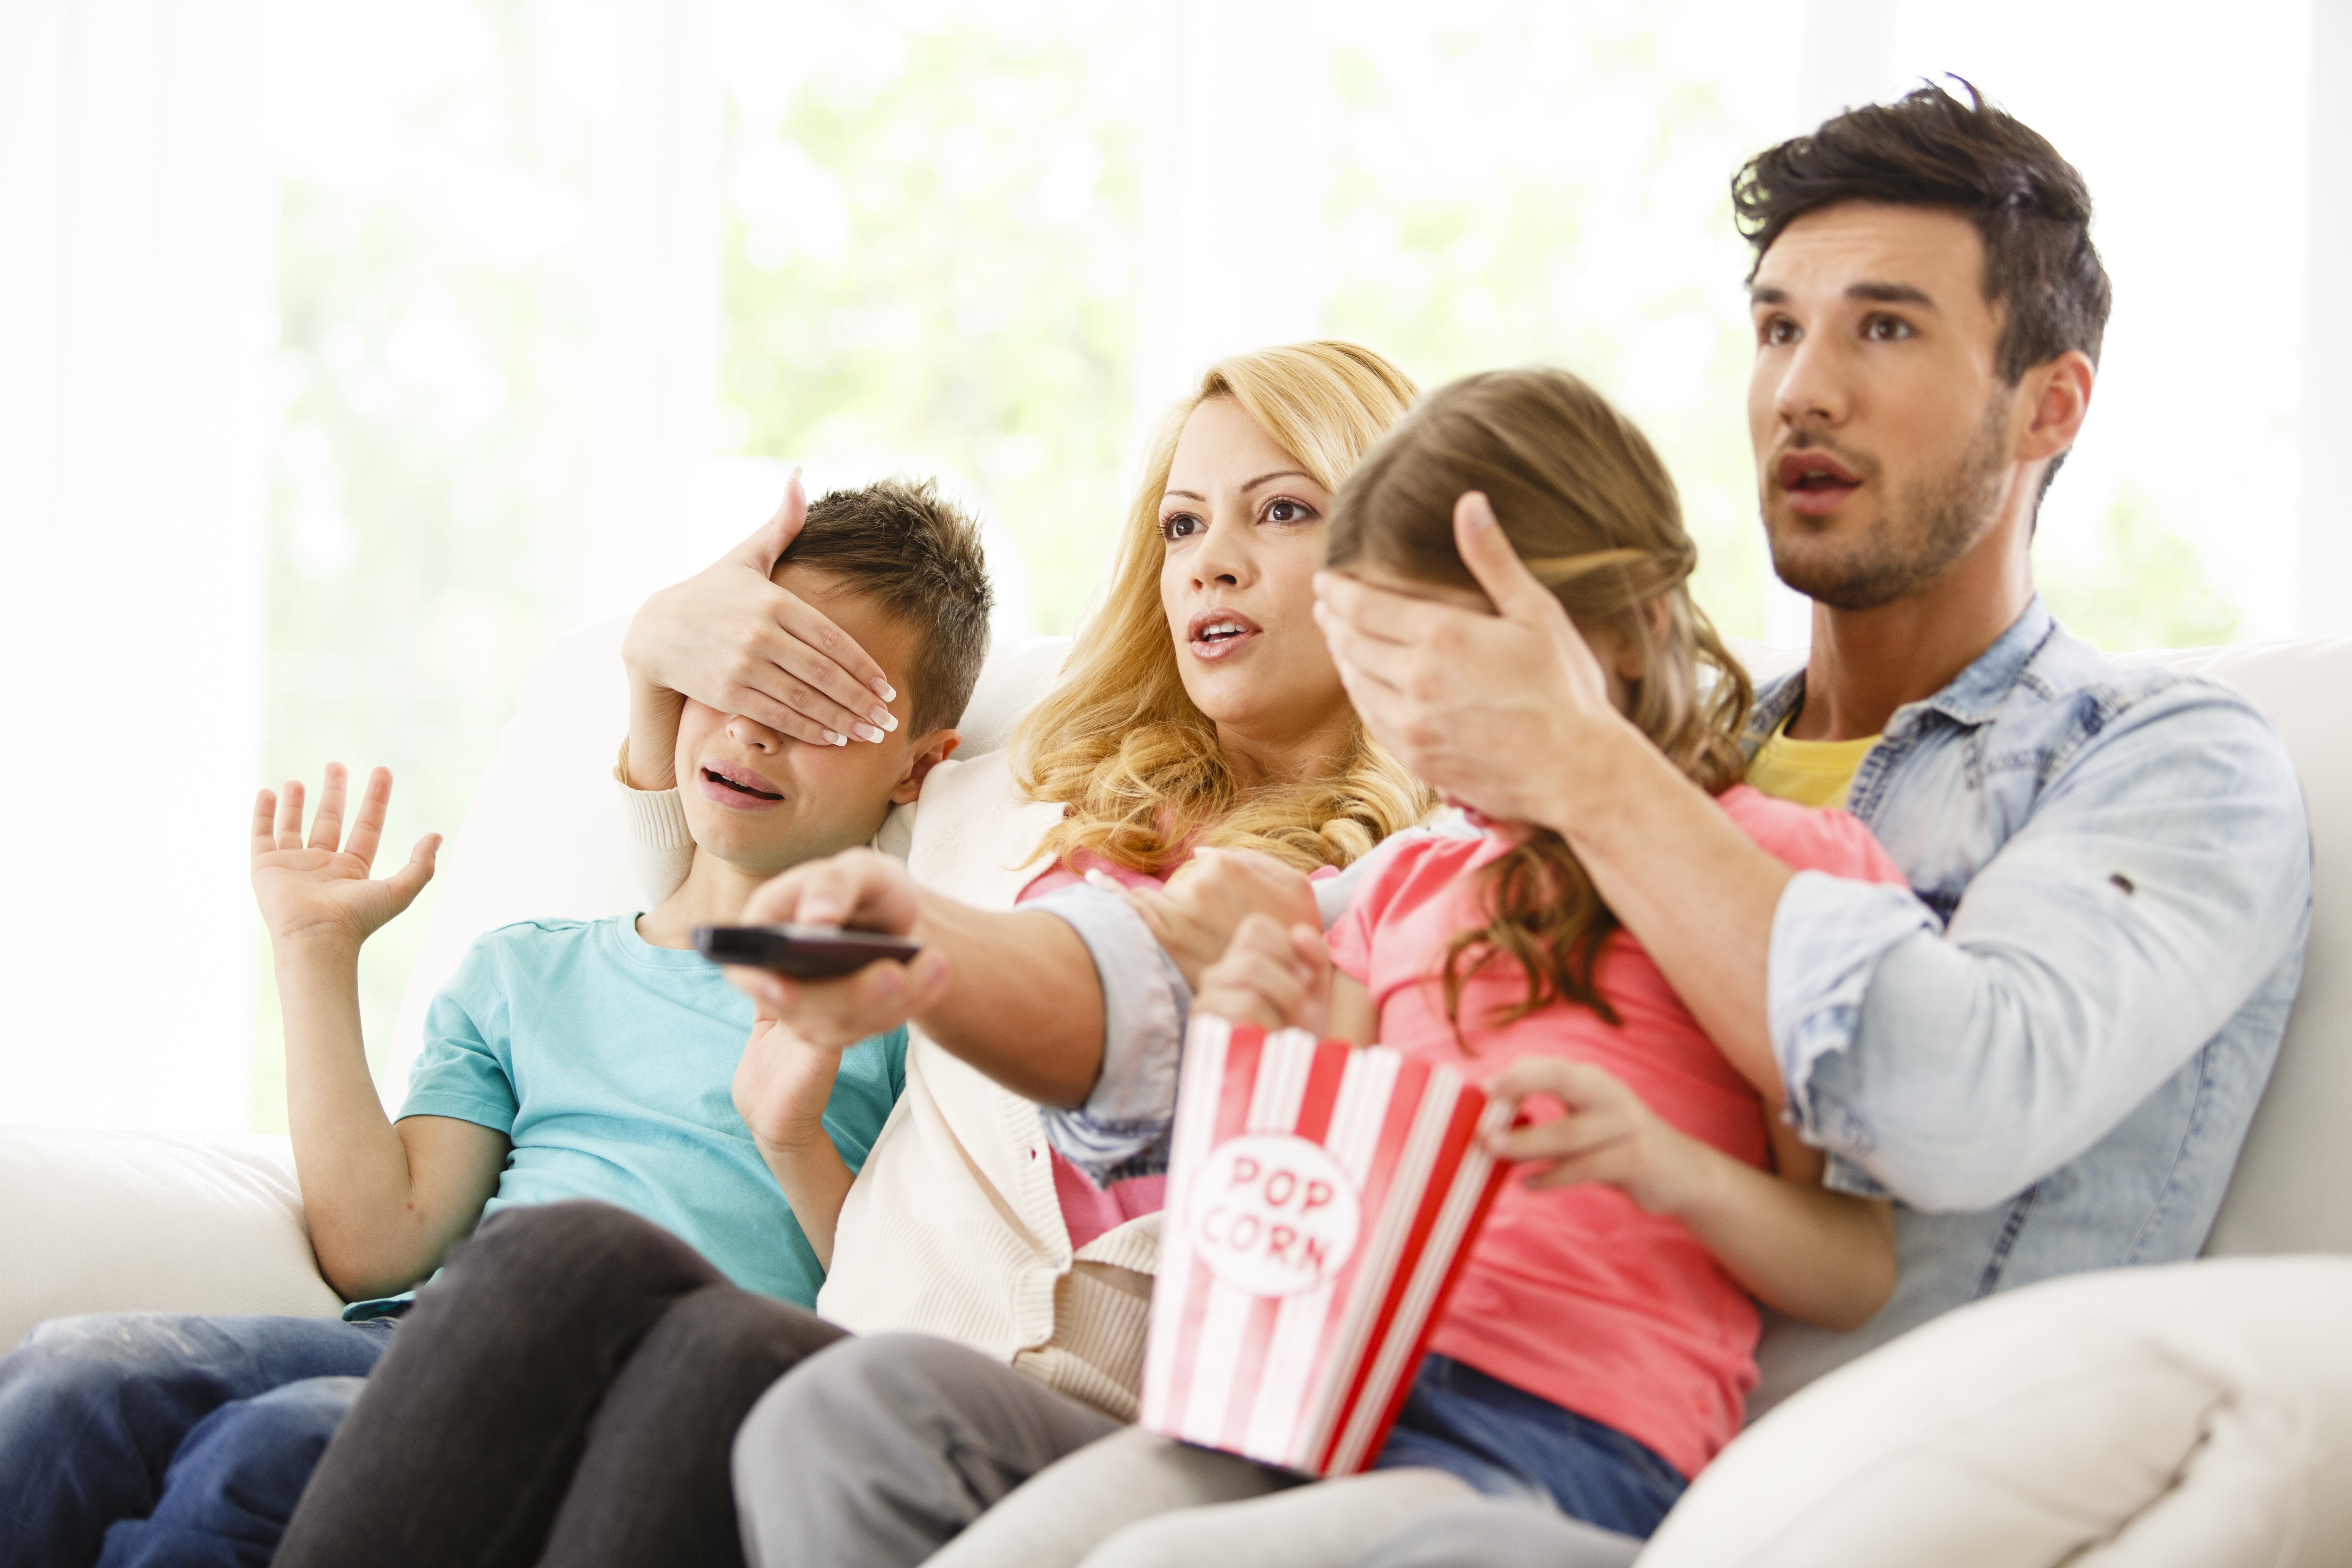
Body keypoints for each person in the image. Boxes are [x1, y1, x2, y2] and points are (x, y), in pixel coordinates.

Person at [701, 79, 2310, 1568]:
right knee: (858, 1430)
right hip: (1359, 1400)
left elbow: (1951, 1096)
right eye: (1776, 328)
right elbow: (1175, 1009)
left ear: (2050, 407)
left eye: (1884, 329)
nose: (1803, 387)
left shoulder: (2162, 765)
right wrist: (923, 953)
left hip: (1704, 1482)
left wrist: (1590, 769)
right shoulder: (1542, 803)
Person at [724, 366, 1920, 1568]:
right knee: (891, 1464)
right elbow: (1310, 1180)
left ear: (1632, 625)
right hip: (1310, 1407)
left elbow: (1854, 1265)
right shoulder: (1405, 888)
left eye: (1464, 657)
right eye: (1392, 664)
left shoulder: (1782, 873)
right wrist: (1280, 1038)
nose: (1425, 717)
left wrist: (1671, 1170)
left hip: (1558, 1451)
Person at [269, 341, 1433, 1568]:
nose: (1214, 563)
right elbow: (726, 859)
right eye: (1184, 526)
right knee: (568, 1262)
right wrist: (654, 658)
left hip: (1095, 1405)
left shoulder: (1399, 891)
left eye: (1284, 510)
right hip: (874, 1342)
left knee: (694, 1341)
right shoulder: (1012, 800)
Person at [0, 478, 987, 1568]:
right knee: (71, 1382)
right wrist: (313, 956)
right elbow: (382, 1240)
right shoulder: (528, 973)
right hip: (416, 1343)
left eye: (815, 707)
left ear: (919, 767)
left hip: (614, 1405)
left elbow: (908, 1301)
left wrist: (791, 1135)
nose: (754, 728)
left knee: (264, 1454)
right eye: (739, 676)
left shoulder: (905, 1008)